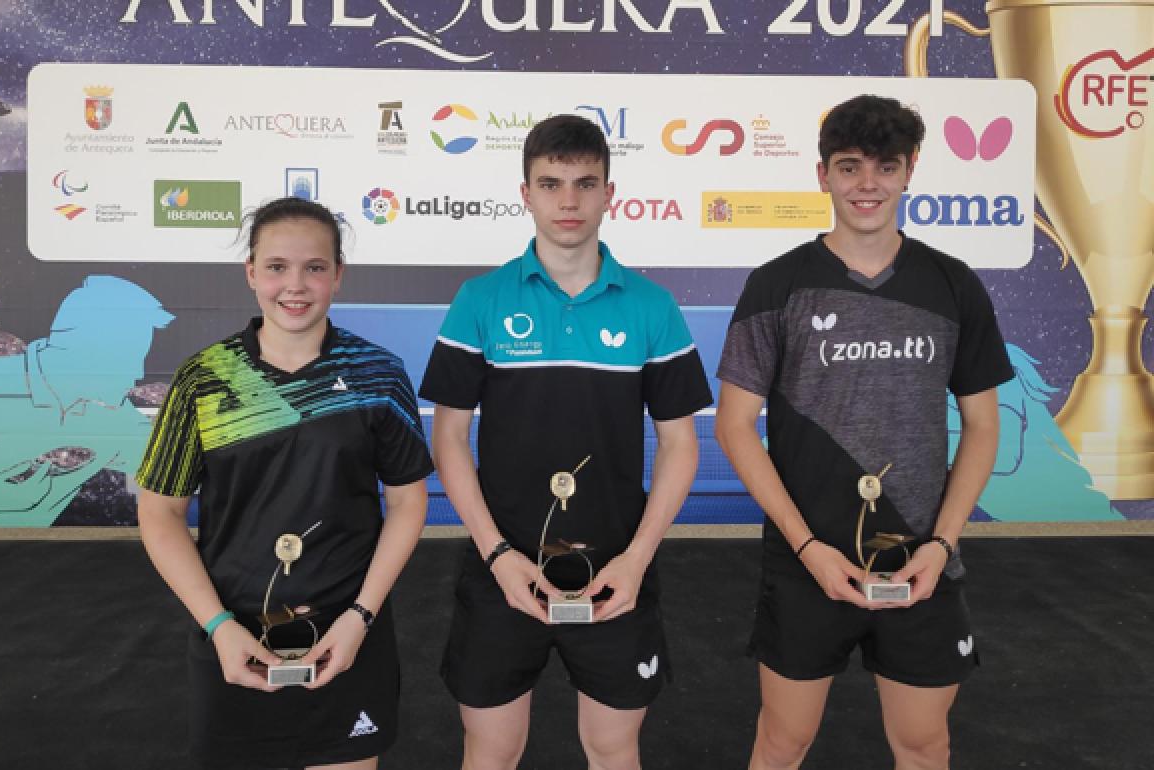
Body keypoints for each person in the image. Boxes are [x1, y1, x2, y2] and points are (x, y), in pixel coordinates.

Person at [714, 94, 1013, 770]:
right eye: (850, 168)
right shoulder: (777, 284)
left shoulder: (952, 284)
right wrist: (808, 546)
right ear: (823, 176)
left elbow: (983, 427)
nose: (867, 185)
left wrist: (941, 543)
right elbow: (734, 427)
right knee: (782, 742)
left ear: (911, 171)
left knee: (924, 744)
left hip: (922, 565)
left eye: (885, 166)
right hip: (805, 562)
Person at [419, 114, 713, 770]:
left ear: (612, 192)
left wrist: (636, 559)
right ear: (525, 194)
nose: (569, 201)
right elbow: (448, 439)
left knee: (613, 749)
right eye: (550, 184)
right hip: (502, 571)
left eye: (585, 183)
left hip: (617, 573)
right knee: (491, 750)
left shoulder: (652, 305)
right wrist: (496, 555)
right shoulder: (480, 299)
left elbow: (680, 445)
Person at [136, 197, 432, 769]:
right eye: (276, 267)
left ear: (337, 274)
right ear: (250, 273)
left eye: (314, 267)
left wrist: (360, 618)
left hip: (347, 638)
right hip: (233, 637)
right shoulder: (203, 377)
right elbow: (159, 512)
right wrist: (218, 625)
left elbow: (407, 502)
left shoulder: (378, 373)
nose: (294, 285)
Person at [0, 275, 172, 526]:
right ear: (84, 350)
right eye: (128, 359)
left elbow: (168, 471)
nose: (137, 373)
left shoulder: (111, 412)